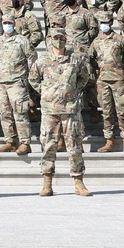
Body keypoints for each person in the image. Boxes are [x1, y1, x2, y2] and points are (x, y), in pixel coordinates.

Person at [29, 28, 91, 197]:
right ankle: (47, 182)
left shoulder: (75, 59)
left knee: (75, 147)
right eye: (56, 37)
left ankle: (79, 182)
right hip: (50, 110)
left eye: (62, 37)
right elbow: (33, 79)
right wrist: (46, 92)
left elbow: (84, 77)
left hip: (70, 109)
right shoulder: (42, 60)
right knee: (49, 145)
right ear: (50, 39)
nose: (59, 40)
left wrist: (73, 90)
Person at [91, 9, 124, 153]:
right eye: (101, 22)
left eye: (106, 22)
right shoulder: (96, 41)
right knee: (107, 112)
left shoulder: (120, 39)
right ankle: (109, 141)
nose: (104, 25)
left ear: (111, 22)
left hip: (118, 80)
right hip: (103, 81)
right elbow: (90, 58)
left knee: (122, 111)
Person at [0, 12, 34, 153]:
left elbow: (31, 58)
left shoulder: (22, 40)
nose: (7, 26)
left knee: (20, 112)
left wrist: (28, 78)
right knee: (4, 112)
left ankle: (25, 142)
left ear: (14, 24)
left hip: (17, 82)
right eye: (4, 23)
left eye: (9, 23)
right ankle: (10, 141)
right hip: (2, 82)